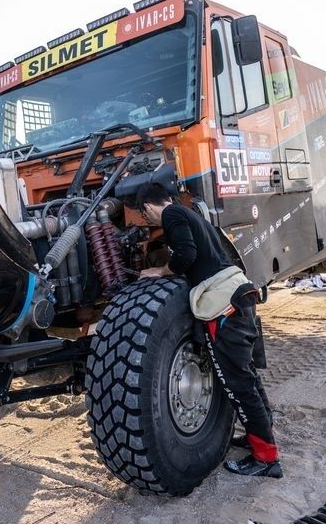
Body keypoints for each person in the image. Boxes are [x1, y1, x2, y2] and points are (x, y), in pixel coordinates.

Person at [135, 182, 282, 478]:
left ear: (148, 207)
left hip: (226, 305)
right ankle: (259, 435)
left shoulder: (172, 215)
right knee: (246, 376)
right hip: (238, 295)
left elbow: (185, 255)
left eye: (144, 215)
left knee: (238, 382)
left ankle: (267, 460)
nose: (147, 220)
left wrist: (161, 270)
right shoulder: (192, 215)